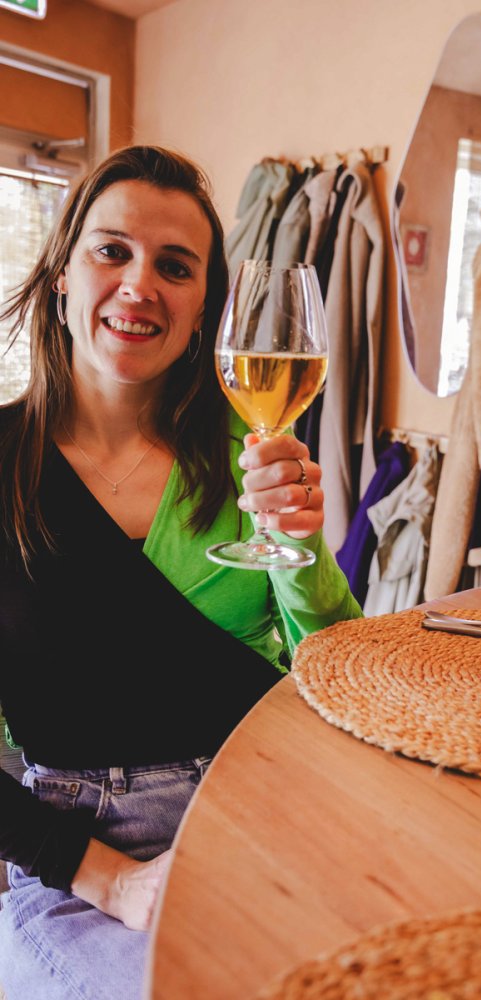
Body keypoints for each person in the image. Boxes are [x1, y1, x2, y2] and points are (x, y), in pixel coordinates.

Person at [0, 144, 362, 1000]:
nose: (140, 286)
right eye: (112, 251)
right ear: (62, 274)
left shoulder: (255, 459)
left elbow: (341, 672)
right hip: (84, 856)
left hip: (270, 804)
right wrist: (110, 878)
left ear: (205, 309)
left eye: (175, 266)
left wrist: (301, 547)